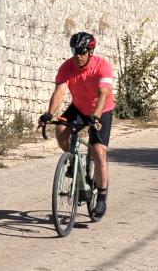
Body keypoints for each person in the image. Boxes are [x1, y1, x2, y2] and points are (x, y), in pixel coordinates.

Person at [40, 31, 115, 218]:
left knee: (98, 152)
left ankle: (101, 198)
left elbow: (103, 92)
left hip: (101, 110)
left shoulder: (102, 66)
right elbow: (60, 91)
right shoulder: (67, 67)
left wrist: (96, 116)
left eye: (82, 52)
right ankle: (74, 160)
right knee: (61, 129)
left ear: (90, 51)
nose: (78, 56)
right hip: (79, 108)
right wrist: (50, 113)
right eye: (75, 51)